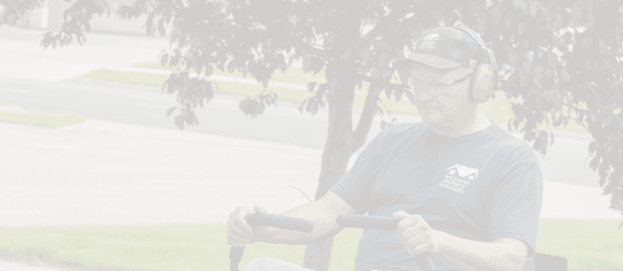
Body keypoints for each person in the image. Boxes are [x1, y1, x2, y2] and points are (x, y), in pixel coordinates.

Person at [227, 25, 543, 271]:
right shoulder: (393, 141)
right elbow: (329, 211)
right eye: (417, 83)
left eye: (437, 84)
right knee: (260, 266)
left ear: (480, 84)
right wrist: (261, 227)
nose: (422, 96)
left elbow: (512, 258)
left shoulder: (511, 159)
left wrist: (436, 242)